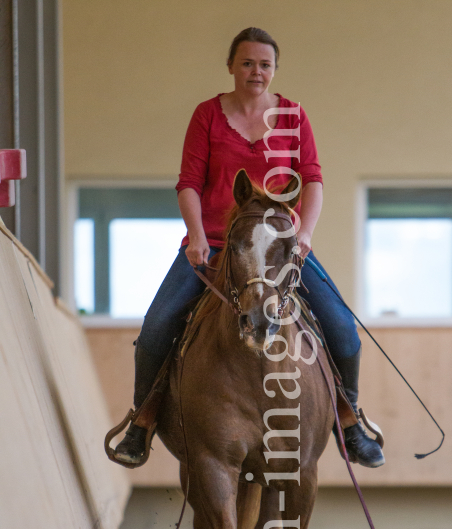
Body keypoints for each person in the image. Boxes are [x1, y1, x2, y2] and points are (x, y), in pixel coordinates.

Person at [113, 27, 384, 469]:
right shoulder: (207, 115)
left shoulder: (294, 116)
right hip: (216, 247)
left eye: (265, 64)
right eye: (247, 63)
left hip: (280, 251)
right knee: (157, 328)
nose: (256, 71)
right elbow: (189, 183)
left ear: (274, 70)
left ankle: (348, 421)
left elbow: (312, 179)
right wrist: (197, 236)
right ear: (231, 66)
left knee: (345, 334)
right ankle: (141, 423)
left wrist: (305, 235)